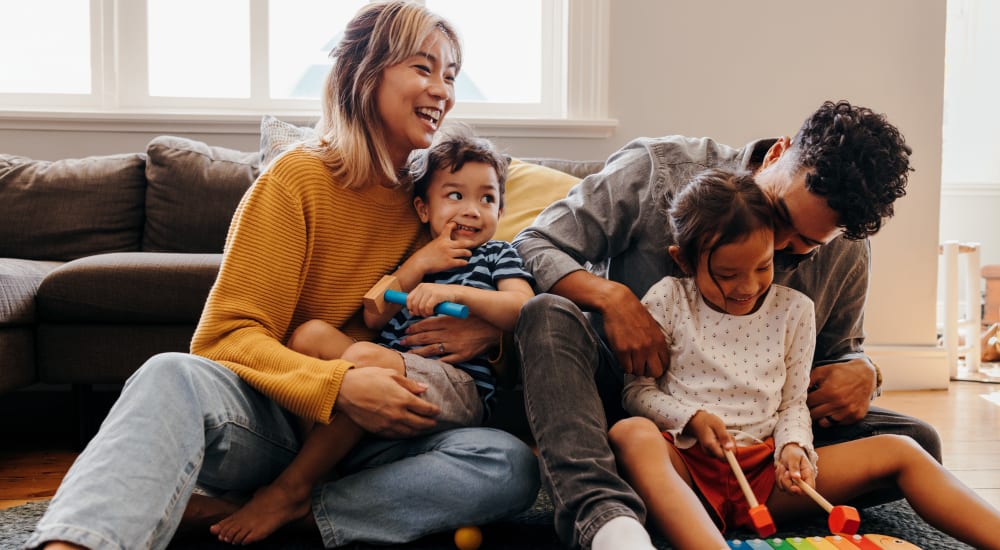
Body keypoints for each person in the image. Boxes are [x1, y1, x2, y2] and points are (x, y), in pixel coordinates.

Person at [25, 3, 539, 549]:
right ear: (365, 73)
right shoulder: (296, 178)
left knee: (507, 465)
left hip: (381, 435)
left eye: (451, 76)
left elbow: (491, 306)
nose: (442, 90)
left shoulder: (432, 200)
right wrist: (338, 387)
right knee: (169, 374)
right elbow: (224, 338)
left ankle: (287, 509)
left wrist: (491, 337)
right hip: (275, 421)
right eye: (423, 68)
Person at [512, 100, 934, 550]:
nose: (777, 246)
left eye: (804, 245)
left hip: (750, 434)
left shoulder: (846, 251)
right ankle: (604, 518)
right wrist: (613, 299)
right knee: (546, 316)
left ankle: (694, 495)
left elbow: (837, 353)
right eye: (780, 217)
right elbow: (534, 242)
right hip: (615, 398)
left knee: (917, 441)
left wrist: (864, 372)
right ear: (778, 154)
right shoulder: (658, 169)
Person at [608, 168, 1000, 550]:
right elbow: (637, 393)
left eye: (762, 266)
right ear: (684, 261)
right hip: (687, 469)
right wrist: (689, 418)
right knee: (630, 434)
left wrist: (793, 447)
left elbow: (793, 404)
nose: (747, 287)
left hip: (765, 475)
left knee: (904, 449)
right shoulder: (668, 299)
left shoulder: (794, 310)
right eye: (727, 274)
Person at [210, 128, 535, 545]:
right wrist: (418, 265)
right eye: (455, 196)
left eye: (487, 199)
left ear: (500, 210)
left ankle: (293, 489)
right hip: (384, 377)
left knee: (368, 359)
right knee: (311, 335)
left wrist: (454, 291)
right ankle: (325, 471)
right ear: (423, 207)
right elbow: (374, 312)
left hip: (455, 384)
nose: (472, 210)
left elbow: (521, 308)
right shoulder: (416, 255)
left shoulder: (497, 255)